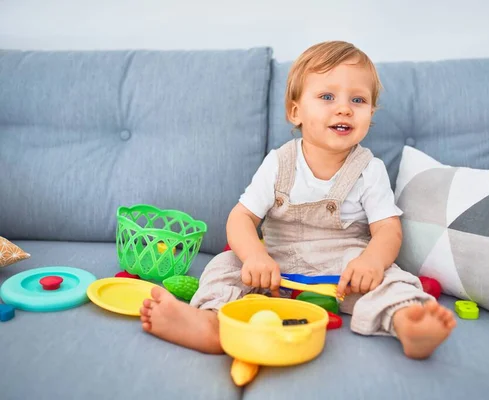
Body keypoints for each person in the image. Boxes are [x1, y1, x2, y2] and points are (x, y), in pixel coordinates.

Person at [140, 40, 456, 359]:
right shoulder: (279, 163)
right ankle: (209, 323)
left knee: (392, 279)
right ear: (296, 112)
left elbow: (388, 230)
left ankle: (408, 324)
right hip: (274, 265)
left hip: (344, 269)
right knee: (224, 265)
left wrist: (372, 261)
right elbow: (241, 218)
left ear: (370, 113)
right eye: (327, 97)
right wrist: (253, 257)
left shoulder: (369, 169)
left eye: (358, 99)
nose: (344, 108)